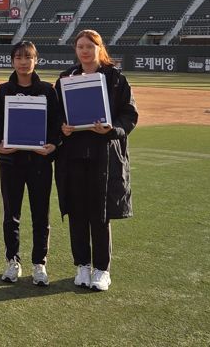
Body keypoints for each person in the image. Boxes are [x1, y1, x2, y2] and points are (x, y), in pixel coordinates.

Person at [55, 29, 138, 292]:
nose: (85, 51)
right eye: (80, 46)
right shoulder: (66, 78)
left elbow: (129, 115)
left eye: (90, 46)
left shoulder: (115, 78)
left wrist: (112, 129)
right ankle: (81, 265)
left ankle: (102, 269)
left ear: (99, 49)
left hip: (104, 155)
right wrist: (62, 127)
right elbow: (56, 114)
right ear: (75, 50)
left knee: (100, 215)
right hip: (74, 155)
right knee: (77, 212)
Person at [0, 41, 61, 286]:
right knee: (11, 215)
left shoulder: (47, 90)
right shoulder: (4, 91)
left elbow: (56, 125)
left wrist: (53, 144)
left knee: (41, 214)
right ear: (12, 61)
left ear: (36, 60)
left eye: (28, 57)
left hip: (40, 163)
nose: (23, 62)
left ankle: (39, 263)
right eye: (19, 57)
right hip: (11, 162)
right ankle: (12, 261)